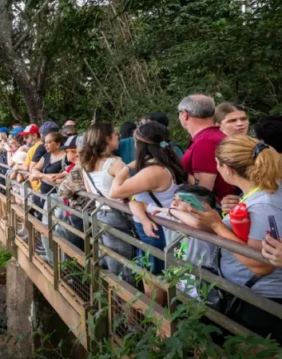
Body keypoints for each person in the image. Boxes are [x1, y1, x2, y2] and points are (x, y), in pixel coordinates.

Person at [186, 135, 282, 341]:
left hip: (259, 299)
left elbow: (261, 265)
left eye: (217, 164)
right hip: (251, 293)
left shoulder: (264, 203)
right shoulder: (265, 189)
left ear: (227, 169)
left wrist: (217, 225)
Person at [109, 121, 188, 305]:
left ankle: (160, 326)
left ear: (140, 145)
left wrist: (128, 167)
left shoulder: (152, 171)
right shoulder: (171, 163)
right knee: (166, 277)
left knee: (154, 280)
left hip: (155, 232)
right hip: (167, 228)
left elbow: (115, 192)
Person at [80, 122, 134, 279]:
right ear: (106, 139)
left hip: (99, 213)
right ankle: (125, 300)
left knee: (111, 258)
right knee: (124, 263)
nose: (118, 136)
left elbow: (91, 192)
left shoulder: (86, 163)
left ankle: (113, 298)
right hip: (118, 215)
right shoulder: (116, 163)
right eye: (115, 134)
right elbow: (129, 192)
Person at [178, 94, 237, 203]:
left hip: (216, 211)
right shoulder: (215, 136)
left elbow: (202, 192)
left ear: (185, 115)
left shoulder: (205, 142)